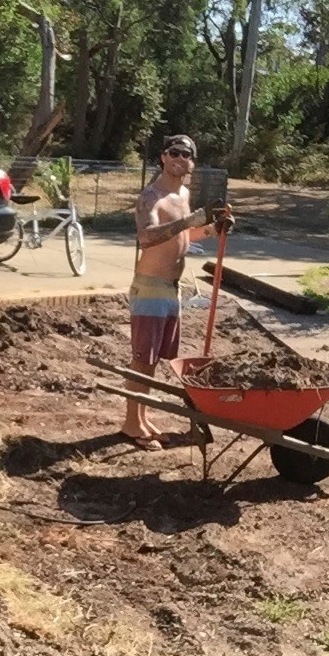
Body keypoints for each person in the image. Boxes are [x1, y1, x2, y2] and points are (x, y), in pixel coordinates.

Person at [121, 134, 233, 450]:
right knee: (142, 359)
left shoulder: (182, 193)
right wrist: (193, 217)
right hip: (150, 288)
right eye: (173, 152)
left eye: (186, 154)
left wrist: (212, 229)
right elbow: (147, 237)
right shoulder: (151, 196)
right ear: (163, 157)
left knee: (153, 360)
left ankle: (141, 419)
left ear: (192, 163)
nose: (179, 158)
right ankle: (131, 425)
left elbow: (186, 233)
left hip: (172, 290)